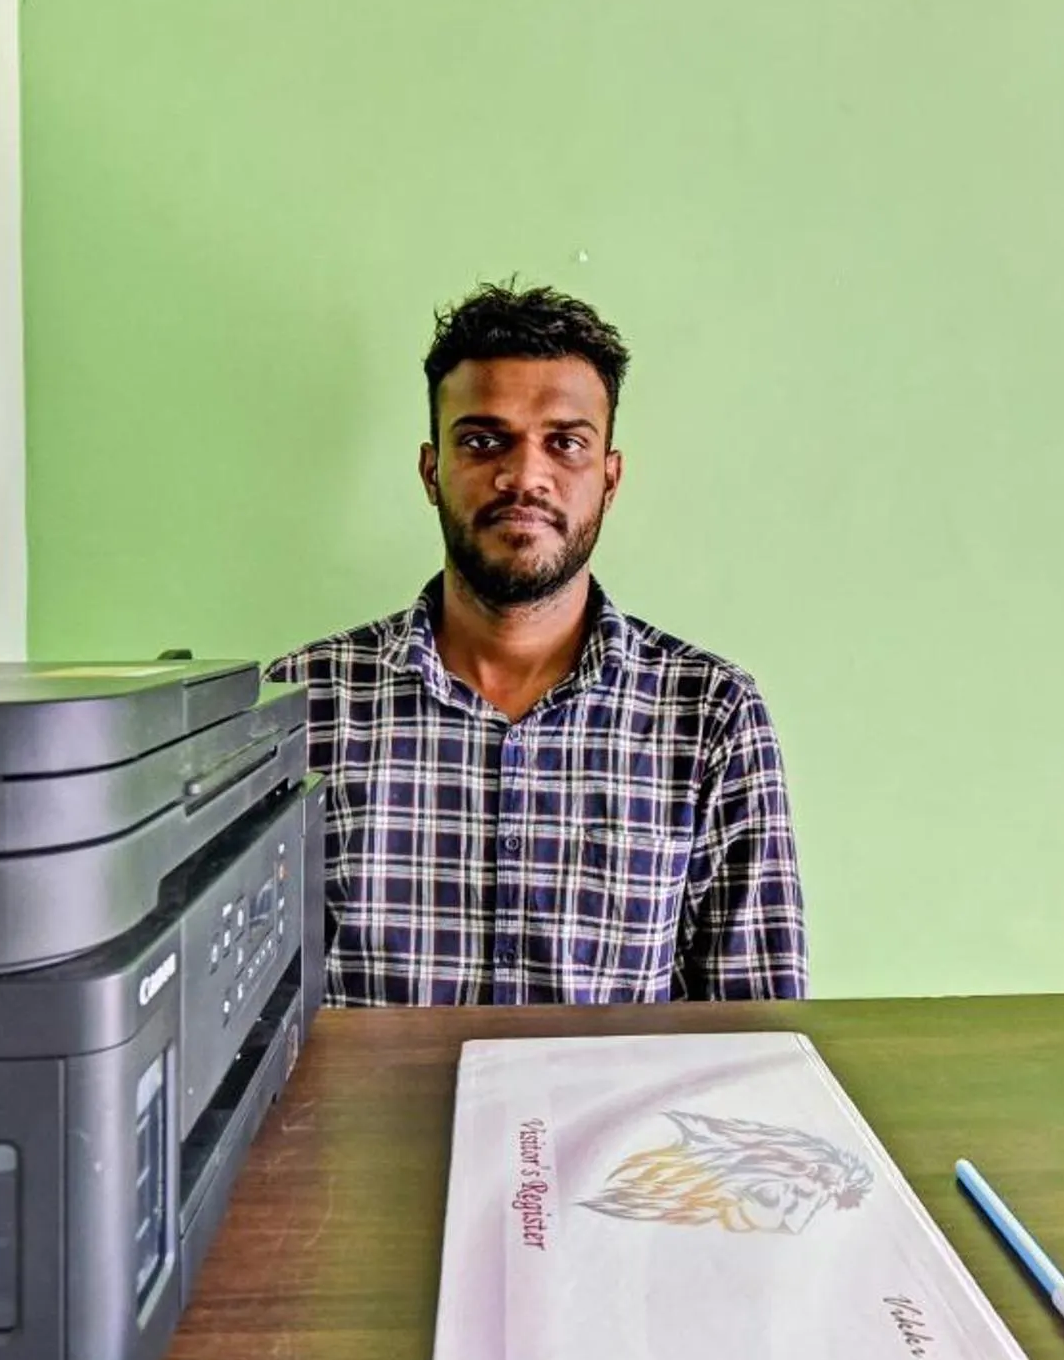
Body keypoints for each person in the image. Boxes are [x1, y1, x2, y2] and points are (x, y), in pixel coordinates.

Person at [267, 283, 808, 1008]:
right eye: (484, 440)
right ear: (432, 472)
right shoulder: (304, 702)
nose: (525, 476)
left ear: (609, 479)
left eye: (566, 443)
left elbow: (755, 1039)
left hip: (620, 1126)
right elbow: (247, 1035)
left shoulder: (710, 715)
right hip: (367, 1126)